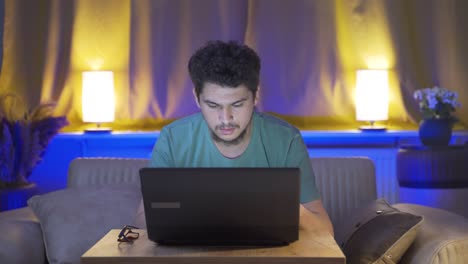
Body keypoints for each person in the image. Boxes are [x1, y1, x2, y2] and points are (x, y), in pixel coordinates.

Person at [146, 40, 333, 235]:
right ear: (196, 98)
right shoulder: (173, 139)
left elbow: (325, 230)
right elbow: (144, 219)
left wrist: (279, 206)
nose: (226, 118)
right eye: (213, 105)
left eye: (237, 104)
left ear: (256, 96)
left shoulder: (286, 140)